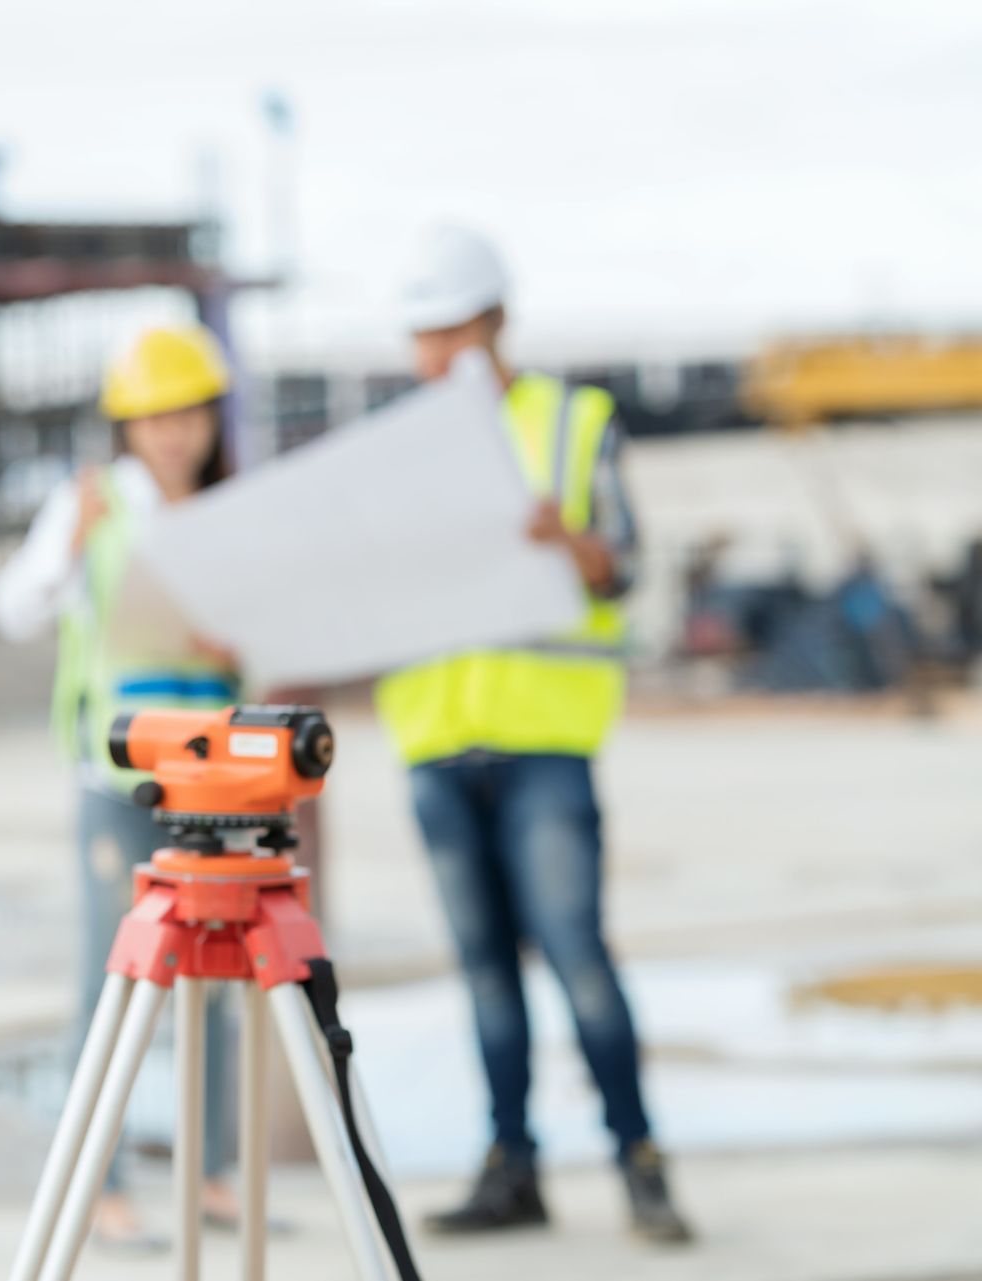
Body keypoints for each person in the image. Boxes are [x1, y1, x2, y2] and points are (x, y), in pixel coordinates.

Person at [375, 225, 690, 1244]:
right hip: (434, 740)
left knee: (576, 958)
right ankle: (512, 1167)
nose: (433, 357)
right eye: (422, 336)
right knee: (484, 976)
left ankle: (640, 1162)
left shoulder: (574, 423)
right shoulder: (399, 445)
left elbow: (626, 566)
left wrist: (571, 544)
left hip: (544, 740)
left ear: (497, 323)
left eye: (451, 332)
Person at [0, 324, 243, 1249]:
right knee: (116, 980)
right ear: (128, 424)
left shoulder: (229, 508)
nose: (175, 432)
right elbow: (11, 609)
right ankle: (102, 1182)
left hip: (216, 779)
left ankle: (210, 1169)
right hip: (118, 779)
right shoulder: (93, 502)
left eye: (190, 412)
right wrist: (70, 549)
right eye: (155, 416)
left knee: (219, 977)